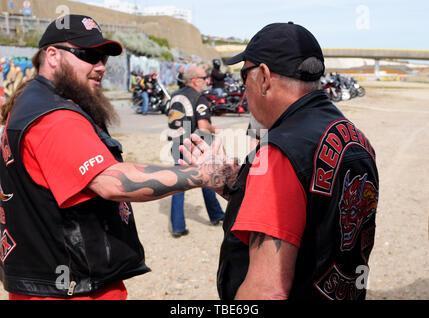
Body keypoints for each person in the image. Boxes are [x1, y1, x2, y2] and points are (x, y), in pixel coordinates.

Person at [0, 14, 238, 300]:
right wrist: (202, 175)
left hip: (49, 279)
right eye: (89, 55)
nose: (100, 66)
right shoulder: (54, 116)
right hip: (71, 290)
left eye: (104, 57)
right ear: (52, 55)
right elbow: (113, 182)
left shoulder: (32, 101)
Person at [183, 22, 379, 300]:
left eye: (244, 76)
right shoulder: (356, 138)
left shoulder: (280, 151)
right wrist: (233, 187)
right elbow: (316, 216)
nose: (243, 90)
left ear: (263, 76)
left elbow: (267, 290)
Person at [167, 65, 225, 237]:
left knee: (181, 185)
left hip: (176, 144)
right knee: (205, 179)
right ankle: (213, 216)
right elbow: (203, 127)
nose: (208, 80)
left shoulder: (175, 95)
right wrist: (215, 129)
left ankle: (182, 225)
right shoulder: (199, 98)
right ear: (195, 80)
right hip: (194, 147)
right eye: (204, 77)